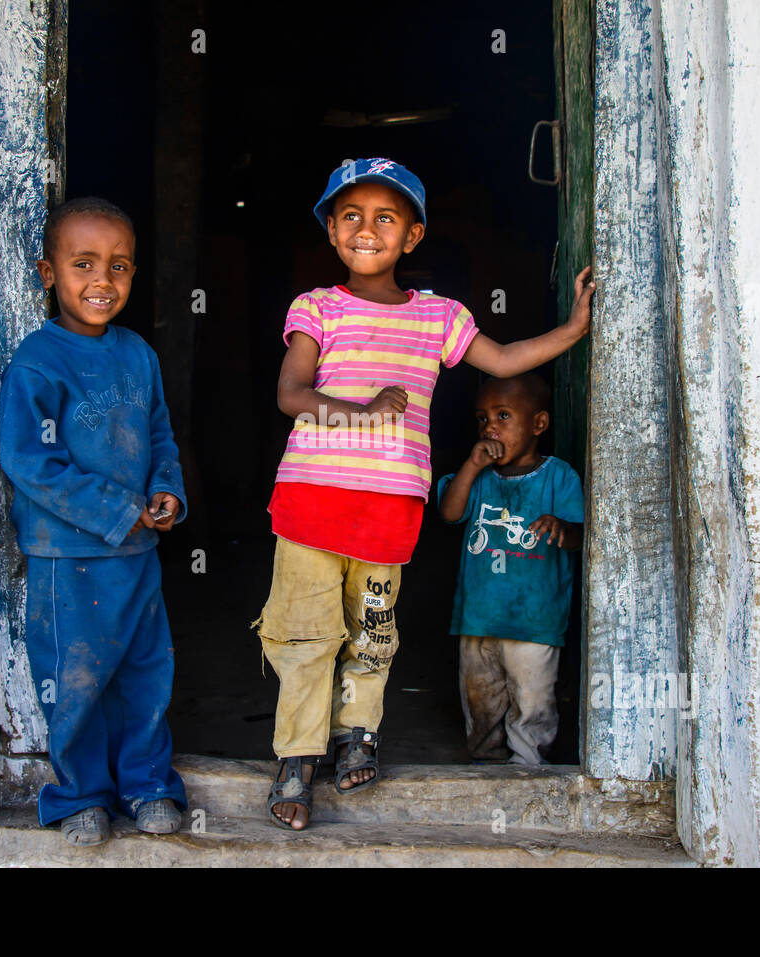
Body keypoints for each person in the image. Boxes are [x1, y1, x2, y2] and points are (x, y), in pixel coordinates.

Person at [255, 157, 595, 829]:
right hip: (311, 500)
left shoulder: (440, 316)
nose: (366, 228)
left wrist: (574, 330)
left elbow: (499, 359)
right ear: (330, 230)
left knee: (372, 634)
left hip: (389, 508)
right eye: (350, 215)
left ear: (411, 236)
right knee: (304, 634)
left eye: (386, 216)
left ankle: (359, 733)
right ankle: (297, 755)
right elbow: (290, 395)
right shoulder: (315, 308)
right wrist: (361, 410)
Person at [0, 196, 188, 846]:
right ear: (48, 272)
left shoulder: (137, 355)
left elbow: (160, 433)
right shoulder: (37, 361)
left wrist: (165, 489)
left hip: (138, 556)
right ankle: (77, 793)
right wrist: (115, 510)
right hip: (66, 559)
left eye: (120, 266)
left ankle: (148, 782)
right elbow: (29, 462)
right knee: (76, 681)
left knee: (143, 673)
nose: (103, 281)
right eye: (83, 264)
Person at [437, 374, 584, 765]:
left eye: (503, 416)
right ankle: (486, 765)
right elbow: (449, 513)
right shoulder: (479, 478)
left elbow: (582, 537)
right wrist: (470, 466)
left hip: (535, 622)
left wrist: (562, 528)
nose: (490, 427)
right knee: (480, 699)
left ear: (538, 424)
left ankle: (527, 768)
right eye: (483, 419)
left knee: (532, 699)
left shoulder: (559, 476)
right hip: (478, 621)